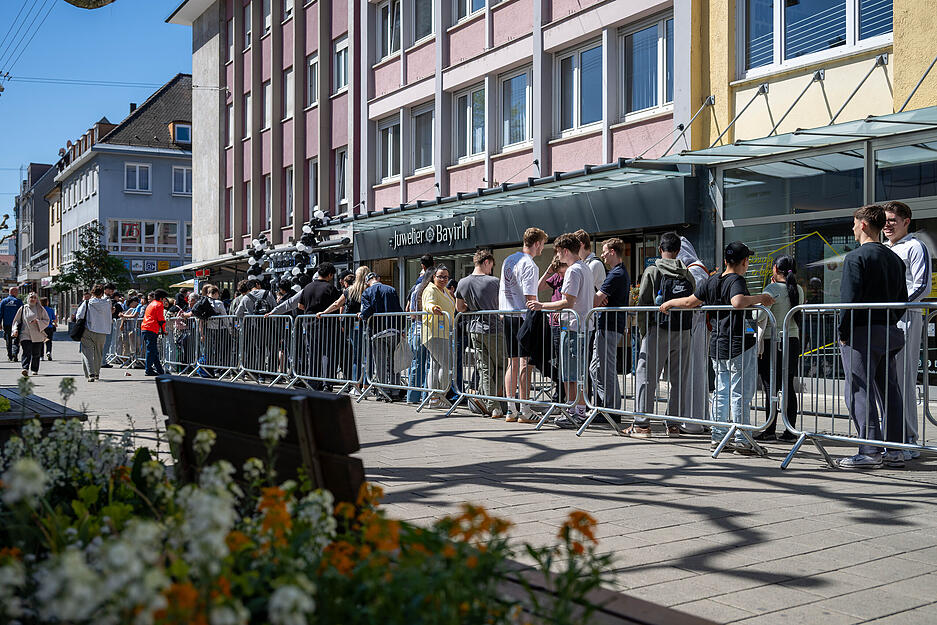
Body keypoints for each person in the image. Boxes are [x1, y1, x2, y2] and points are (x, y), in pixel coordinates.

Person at [660, 242, 774, 455]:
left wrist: (669, 302)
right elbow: (738, 302)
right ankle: (742, 438)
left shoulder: (713, 279)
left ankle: (718, 436)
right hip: (740, 343)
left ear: (725, 260)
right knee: (740, 392)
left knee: (721, 391)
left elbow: (690, 302)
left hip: (719, 343)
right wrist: (761, 298)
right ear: (745, 262)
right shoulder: (737, 280)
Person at [837, 204, 908, 469]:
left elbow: (850, 300)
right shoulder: (895, 259)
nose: (853, 229)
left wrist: (843, 332)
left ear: (864, 225)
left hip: (862, 332)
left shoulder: (856, 258)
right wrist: (890, 322)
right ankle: (896, 449)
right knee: (890, 391)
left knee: (859, 390)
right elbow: (902, 298)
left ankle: (869, 450)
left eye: (855, 224)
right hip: (889, 331)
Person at [629, 232, 695, 437]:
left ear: (660, 249)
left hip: (657, 331)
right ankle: (673, 424)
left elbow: (643, 302)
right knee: (678, 380)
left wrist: (643, 332)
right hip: (683, 331)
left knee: (646, 376)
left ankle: (642, 424)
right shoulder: (687, 273)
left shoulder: (652, 270)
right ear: (678, 251)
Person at [527, 233, 593, 428]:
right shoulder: (584, 268)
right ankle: (576, 410)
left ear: (565, 250)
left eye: (557, 252)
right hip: (581, 325)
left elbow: (568, 302)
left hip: (573, 326)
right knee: (576, 372)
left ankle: (576, 411)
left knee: (572, 373)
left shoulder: (573, 270)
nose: (557, 257)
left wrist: (541, 305)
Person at [883, 200, 930, 459]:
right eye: (885, 220)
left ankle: (908, 438)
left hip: (907, 317)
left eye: (892, 220)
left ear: (906, 221)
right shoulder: (884, 248)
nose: (887, 225)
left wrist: (896, 308)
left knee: (904, 379)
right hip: (888, 320)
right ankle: (893, 435)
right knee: (889, 380)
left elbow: (922, 286)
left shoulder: (915, 246)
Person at [500, 227, 548, 421]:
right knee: (525, 364)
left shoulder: (508, 260)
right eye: (543, 244)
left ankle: (511, 409)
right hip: (522, 317)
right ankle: (525, 409)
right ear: (536, 243)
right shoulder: (530, 265)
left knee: (512, 362)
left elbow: (504, 289)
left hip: (507, 313)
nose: (543, 249)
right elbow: (530, 298)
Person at [755, 256, 804, 443]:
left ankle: (769, 430)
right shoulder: (798, 289)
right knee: (788, 385)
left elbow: (759, 314)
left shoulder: (772, 289)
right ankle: (790, 431)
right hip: (792, 340)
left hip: (772, 341)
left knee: (770, 386)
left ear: (775, 268)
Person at [456, 249, 507, 418]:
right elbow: (501, 304)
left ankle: (492, 406)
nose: (491, 270)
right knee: (500, 366)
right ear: (486, 262)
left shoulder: (463, 282)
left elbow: (460, 308)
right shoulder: (494, 281)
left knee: (484, 368)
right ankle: (494, 403)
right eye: (491, 266)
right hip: (494, 328)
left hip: (474, 329)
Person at [589, 238, 631, 424]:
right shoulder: (616, 273)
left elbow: (596, 300)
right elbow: (600, 299)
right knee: (595, 368)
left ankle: (611, 410)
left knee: (606, 369)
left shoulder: (616, 274)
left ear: (613, 251)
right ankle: (604, 406)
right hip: (608, 325)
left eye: (605, 251)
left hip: (610, 326)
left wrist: (590, 294)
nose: (603, 254)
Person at [677, 237, 710, 433]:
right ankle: (699, 418)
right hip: (695, 326)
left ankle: (692, 421)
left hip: (695, 326)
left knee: (693, 373)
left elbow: (692, 300)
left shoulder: (695, 271)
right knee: (695, 373)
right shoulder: (697, 269)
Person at [319, 266, 369, 384]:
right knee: (367, 356)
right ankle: (366, 383)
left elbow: (337, 304)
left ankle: (357, 383)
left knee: (356, 355)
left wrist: (324, 312)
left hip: (353, 326)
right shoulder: (369, 288)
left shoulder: (349, 290)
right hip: (368, 325)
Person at [360, 272, 404, 400]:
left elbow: (367, 310)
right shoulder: (391, 289)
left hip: (377, 331)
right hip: (393, 329)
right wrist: (401, 328)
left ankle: (383, 391)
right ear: (378, 279)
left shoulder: (367, 292)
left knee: (380, 363)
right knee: (394, 362)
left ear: (368, 282)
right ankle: (395, 391)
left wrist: (362, 315)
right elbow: (398, 309)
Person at [299, 263, 340, 388]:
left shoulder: (307, 287)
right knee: (328, 354)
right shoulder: (330, 288)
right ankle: (327, 383)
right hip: (327, 325)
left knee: (313, 354)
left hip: (309, 324)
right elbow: (338, 305)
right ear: (330, 274)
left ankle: (313, 382)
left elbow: (300, 306)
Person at [420, 265, 456, 408]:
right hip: (435, 331)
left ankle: (434, 399)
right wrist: (433, 308)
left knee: (435, 366)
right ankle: (440, 395)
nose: (443, 279)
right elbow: (428, 304)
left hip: (442, 332)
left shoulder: (445, 290)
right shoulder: (431, 289)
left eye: (446, 277)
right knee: (446, 364)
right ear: (433, 277)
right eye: (440, 276)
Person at [539, 255, 568, 404]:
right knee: (547, 360)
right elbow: (539, 286)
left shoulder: (571, 275)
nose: (561, 275)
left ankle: (560, 396)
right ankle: (559, 389)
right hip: (552, 323)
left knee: (563, 361)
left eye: (562, 272)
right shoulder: (556, 276)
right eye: (559, 273)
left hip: (564, 323)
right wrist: (549, 271)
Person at [405, 255, 435, 404]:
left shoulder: (417, 287)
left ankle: (413, 397)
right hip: (427, 328)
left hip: (417, 328)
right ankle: (425, 397)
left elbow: (410, 310)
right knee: (429, 363)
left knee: (417, 362)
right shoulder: (430, 289)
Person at [76, 285, 114, 381]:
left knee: (87, 352)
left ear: (92, 292)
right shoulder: (108, 303)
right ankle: (97, 373)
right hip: (102, 332)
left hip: (88, 330)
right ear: (102, 293)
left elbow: (79, 315)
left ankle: (91, 373)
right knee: (98, 353)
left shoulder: (87, 302)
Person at [11, 292, 50, 377]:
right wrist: (15, 330)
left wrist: (38, 321)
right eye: (31, 297)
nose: (32, 299)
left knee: (36, 353)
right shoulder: (23, 308)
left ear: (37, 299)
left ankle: (34, 369)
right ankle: (25, 368)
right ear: (28, 299)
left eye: (34, 298)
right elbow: (16, 320)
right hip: (25, 333)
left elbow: (47, 321)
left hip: (37, 334)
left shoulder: (40, 309)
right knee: (26, 351)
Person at [141, 289, 169, 376]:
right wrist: (163, 331)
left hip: (145, 328)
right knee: (151, 350)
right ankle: (148, 369)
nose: (165, 300)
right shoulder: (159, 305)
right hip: (151, 329)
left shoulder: (151, 304)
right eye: (164, 298)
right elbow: (161, 320)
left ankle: (159, 370)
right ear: (161, 298)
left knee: (153, 350)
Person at [1, 286, 23, 362]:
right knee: (16, 339)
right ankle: (15, 354)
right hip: (17, 324)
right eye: (17, 292)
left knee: (8, 340)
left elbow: (0, 313)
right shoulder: (18, 301)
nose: (17, 293)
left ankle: (10, 356)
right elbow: (22, 313)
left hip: (7, 324)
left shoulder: (3, 301)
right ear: (13, 292)